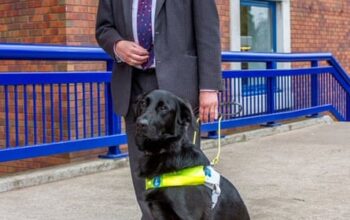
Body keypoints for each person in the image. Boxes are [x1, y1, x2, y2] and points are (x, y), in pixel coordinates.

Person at [95, 0, 222, 218]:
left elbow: (208, 30)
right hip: (134, 86)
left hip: (178, 89)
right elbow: (103, 28)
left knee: (184, 166)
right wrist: (118, 46)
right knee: (142, 168)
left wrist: (209, 87)